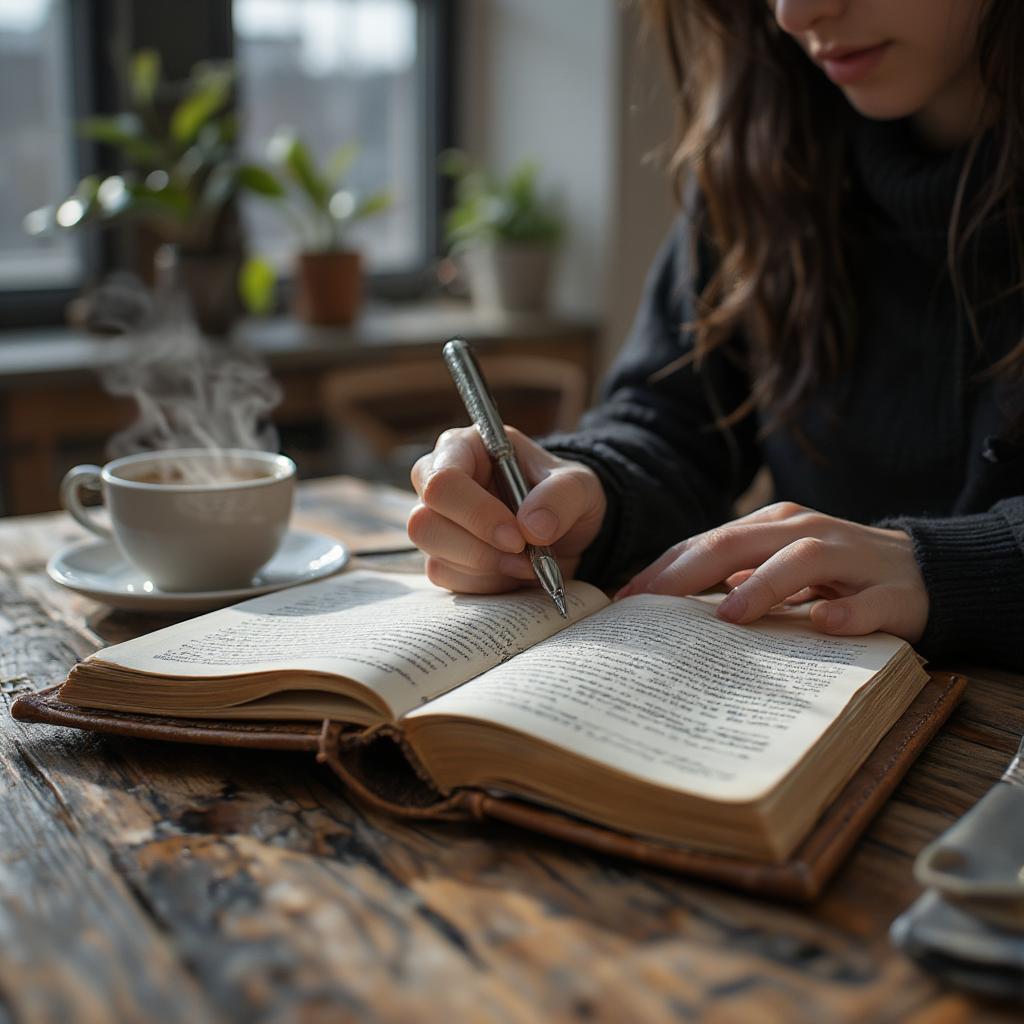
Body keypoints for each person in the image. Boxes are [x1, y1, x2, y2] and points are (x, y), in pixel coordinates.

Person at [410, 0, 1024, 670]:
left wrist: (955, 569)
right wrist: (587, 498)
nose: (794, 13)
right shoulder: (763, 150)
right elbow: (674, 422)